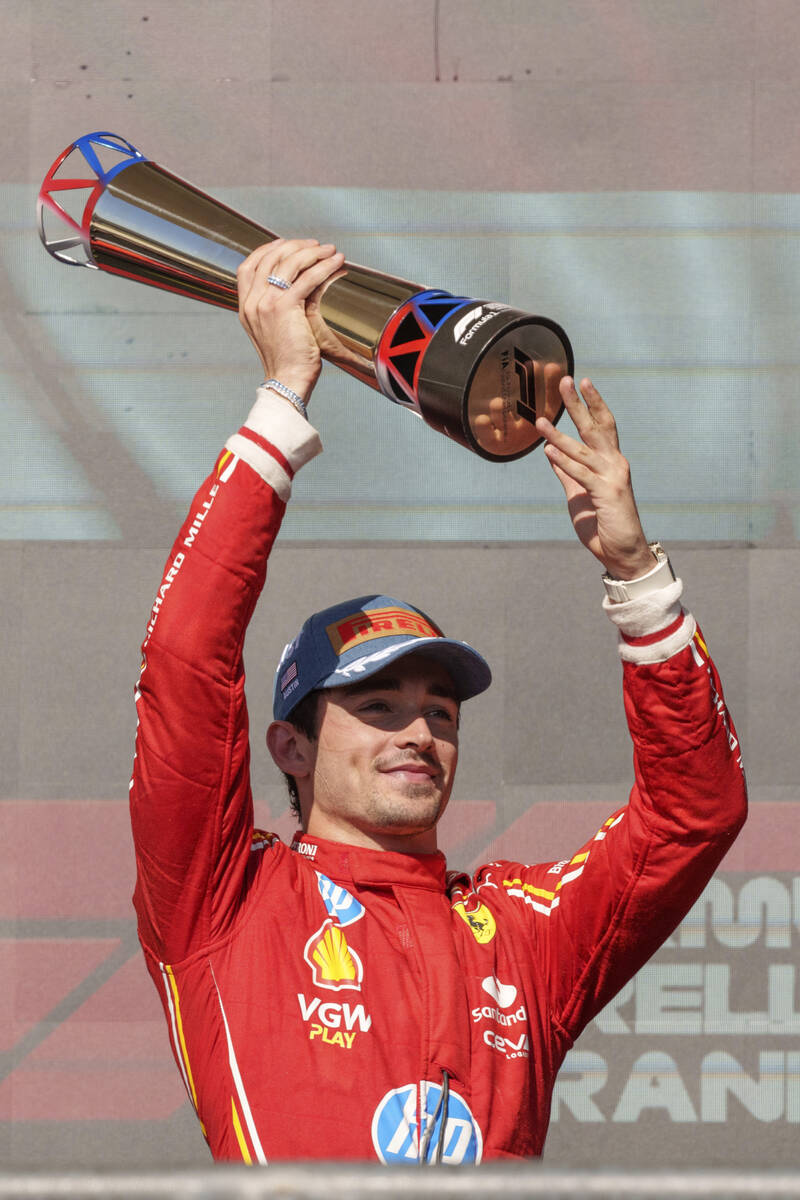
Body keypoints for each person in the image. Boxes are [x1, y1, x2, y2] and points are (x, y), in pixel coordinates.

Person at [129, 239, 746, 1165]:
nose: (419, 730)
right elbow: (186, 661)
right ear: (290, 748)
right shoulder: (226, 901)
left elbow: (694, 814)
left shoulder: (525, 937)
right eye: (377, 706)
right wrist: (280, 406)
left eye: (441, 712)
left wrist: (636, 577)